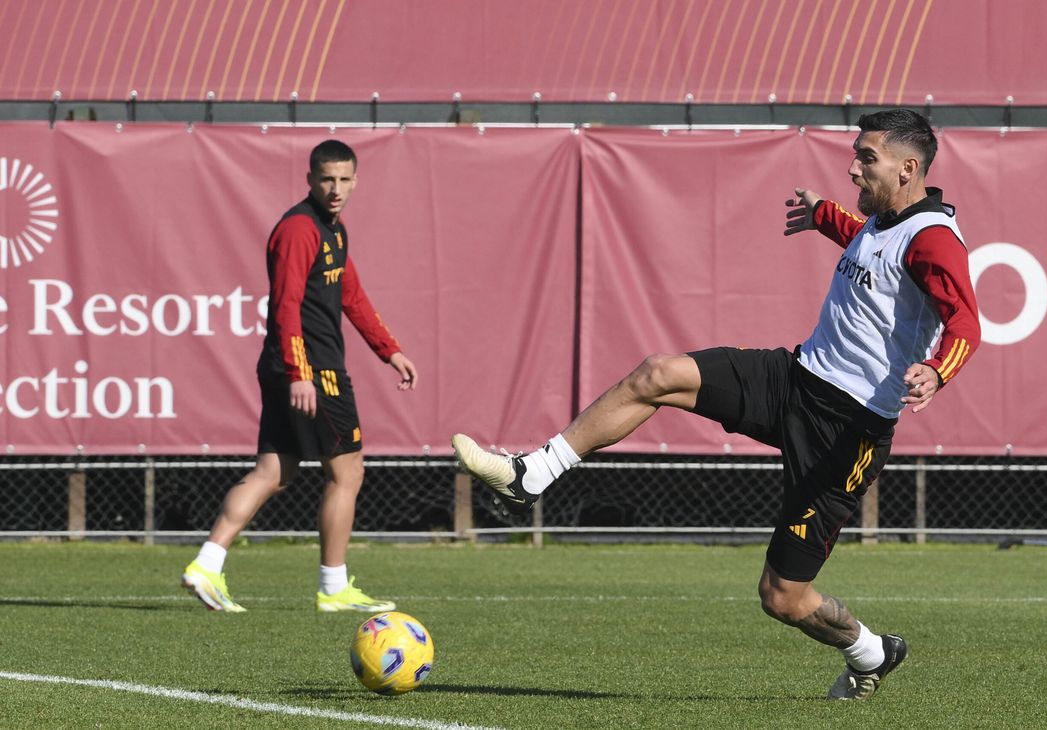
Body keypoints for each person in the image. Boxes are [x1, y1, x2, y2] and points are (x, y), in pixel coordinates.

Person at [452, 109, 980, 700]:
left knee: (782, 598)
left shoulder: (933, 238)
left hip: (848, 431)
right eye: (855, 153)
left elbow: (965, 323)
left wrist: (937, 371)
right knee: (658, 374)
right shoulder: (886, 219)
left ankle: (871, 651)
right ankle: (533, 474)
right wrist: (823, 215)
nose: (852, 166)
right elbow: (866, 240)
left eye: (866, 158)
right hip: (795, 378)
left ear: (908, 168)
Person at [182, 139, 418, 613]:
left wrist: (388, 350)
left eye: (344, 180)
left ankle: (206, 564)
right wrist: (300, 373)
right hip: (311, 370)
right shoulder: (298, 229)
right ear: (310, 180)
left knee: (274, 471)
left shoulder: (334, 229)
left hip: (297, 367)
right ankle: (334, 588)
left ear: (355, 180)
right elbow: (285, 304)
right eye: (327, 179)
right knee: (347, 472)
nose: (335, 189)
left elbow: (351, 296)